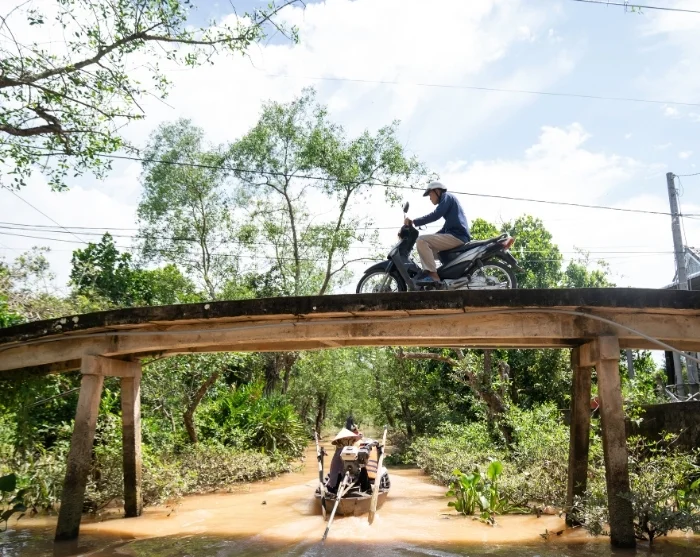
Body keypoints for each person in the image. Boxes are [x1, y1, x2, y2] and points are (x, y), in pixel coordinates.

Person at [404, 181, 470, 283]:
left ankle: (433, 276)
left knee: (421, 240)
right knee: (426, 249)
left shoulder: (447, 197)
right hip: (456, 235)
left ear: (437, 191)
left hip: (458, 236)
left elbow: (436, 215)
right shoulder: (450, 204)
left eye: (430, 194)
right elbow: (445, 228)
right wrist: (434, 236)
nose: (430, 198)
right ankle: (443, 276)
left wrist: (414, 222)